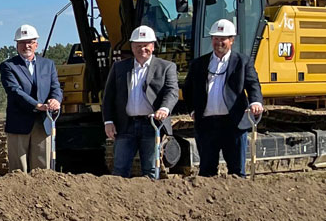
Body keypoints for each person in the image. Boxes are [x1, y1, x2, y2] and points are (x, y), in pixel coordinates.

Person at [181, 18, 263, 177]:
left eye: (223, 39)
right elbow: (188, 88)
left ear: (231, 40)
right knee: (206, 171)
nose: (219, 42)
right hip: (207, 124)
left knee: (237, 171)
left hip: (233, 123)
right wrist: (192, 109)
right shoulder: (199, 64)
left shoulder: (242, 62)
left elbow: (253, 84)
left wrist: (256, 102)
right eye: (216, 39)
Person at [102, 25, 179, 180]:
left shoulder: (166, 67)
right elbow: (108, 97)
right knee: (120, 169)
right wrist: (108, 121)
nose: (142, 49)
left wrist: (164, 108)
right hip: (125, 125)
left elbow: (172, 92)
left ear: (153, 45)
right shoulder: (120, 67)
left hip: (152, 125)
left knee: (151, 170)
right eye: (138, 45)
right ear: (131, 47)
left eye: (145, 45)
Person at [0, 24, 62, 172]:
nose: (26, 46)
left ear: (36, 44)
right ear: (16, 45)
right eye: (22, 42)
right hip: (19, 123)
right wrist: (37, 105)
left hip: (43, 123)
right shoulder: (8, 66)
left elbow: (55, 87)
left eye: (30, 42)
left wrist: (56, 100)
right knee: (18, 170)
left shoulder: (48, 64)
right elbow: (14, 91)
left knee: (42, 170)